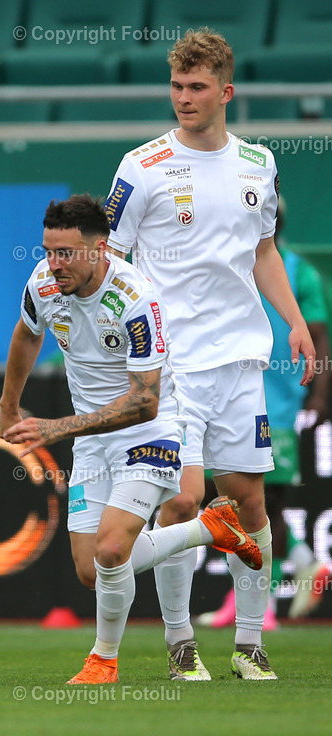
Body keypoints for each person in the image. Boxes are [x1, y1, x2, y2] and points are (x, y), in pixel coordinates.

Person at [103, 27, 316, 681]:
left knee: (249, 505)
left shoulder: (258, 162)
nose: (184, 98)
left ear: (226, 91)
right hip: (171, 367)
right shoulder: (141, 166)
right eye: (176, 86)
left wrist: (296, 322)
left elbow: (264, 252)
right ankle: (180, 643)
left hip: (241, 364)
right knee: (181, 501)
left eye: (197, 87)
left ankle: (251, 645)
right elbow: (109, 261)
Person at [0, 195, 261, 684]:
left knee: (113, 549)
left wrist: (57, 427)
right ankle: (210, 528)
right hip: (91, 439)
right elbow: (28, 334)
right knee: (90, 571)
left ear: (100, 249)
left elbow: (145, 401)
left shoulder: (136, 297)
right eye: (49, 251)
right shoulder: (43, 283)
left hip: (148, 432)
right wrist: (8, 406)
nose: (54, 264)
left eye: (66, 253)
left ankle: (104, 661)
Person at [198, 199, 332, 626]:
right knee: (233, 498)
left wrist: (319, 398)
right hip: (228, 392)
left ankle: (262, 603)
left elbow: (318, 335)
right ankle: (302, 563)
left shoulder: (296, 270)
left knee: (264, 500)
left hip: (277, 401)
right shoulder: (226, 262)